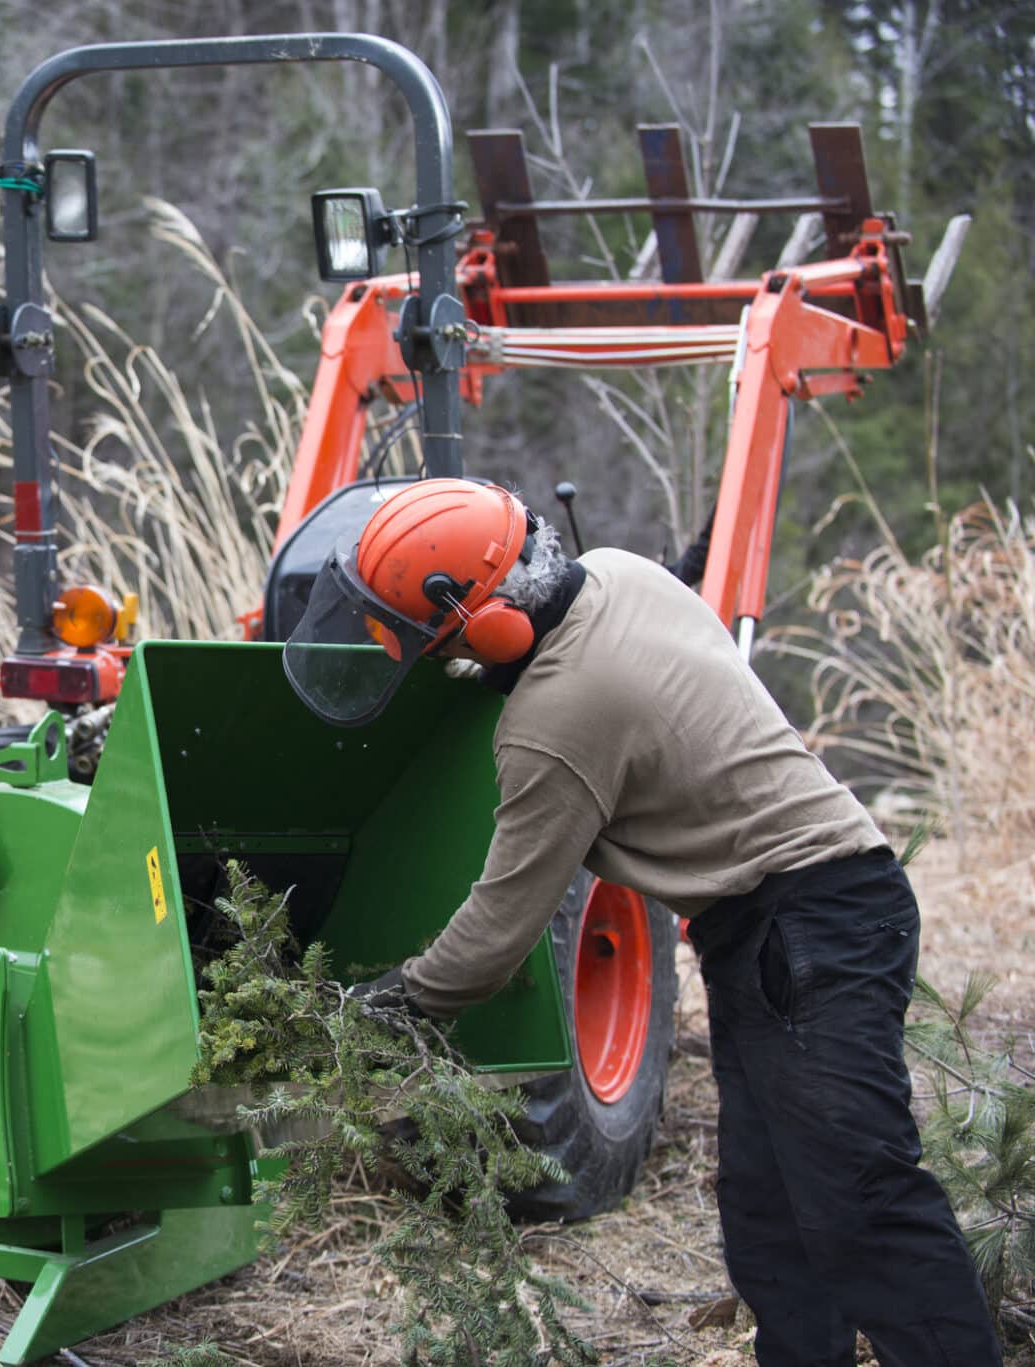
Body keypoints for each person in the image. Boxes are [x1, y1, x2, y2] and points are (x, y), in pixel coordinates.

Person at [280, 477, 1000, 1367]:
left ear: (494, 621)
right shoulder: (619, 573)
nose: (425, 658)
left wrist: (383, 1006)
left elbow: (497, 938)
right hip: (794, 921)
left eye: (431, 642)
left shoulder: (559, 719)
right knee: (770, 1210)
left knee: (861, 1201)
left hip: (811, 927)